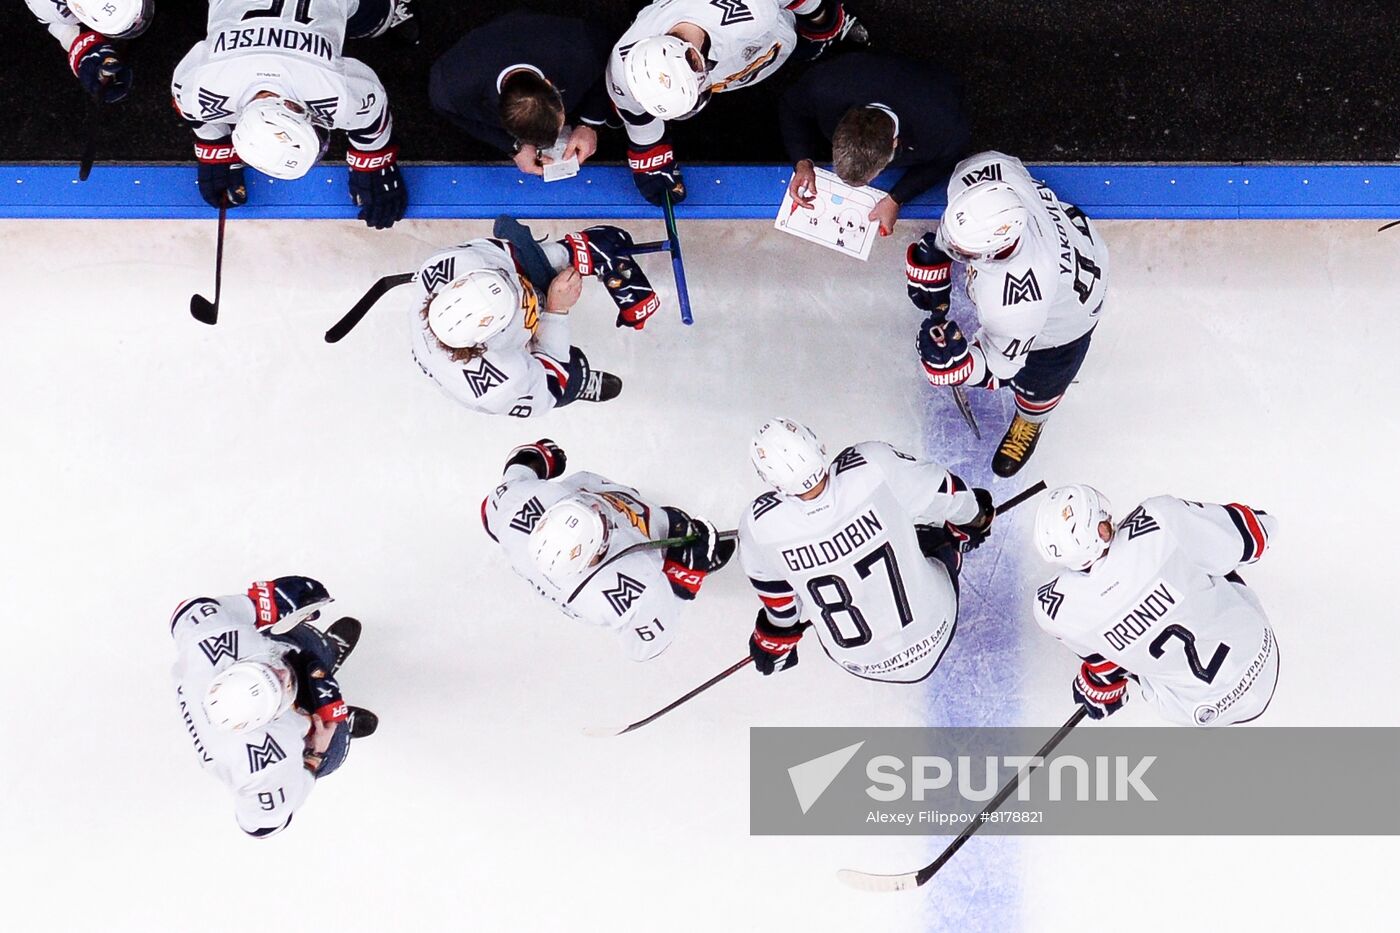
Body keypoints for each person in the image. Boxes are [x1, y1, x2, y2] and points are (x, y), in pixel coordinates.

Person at [738, 418, 995, 683]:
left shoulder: (758, 526)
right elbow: (948, 494)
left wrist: (773, 638)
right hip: (935, 628)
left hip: (859, 662)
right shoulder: (871, 463)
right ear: (817, 443)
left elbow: (784, 612)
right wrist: (975, 521)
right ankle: (951, 549)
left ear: (769, 479)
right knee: (929, 532)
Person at [909, 150, 1110, 476]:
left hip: (1066, 323)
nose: (953, 247)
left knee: (1040, 383)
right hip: (1074, 238)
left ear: (996, 250)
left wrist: (959, 367)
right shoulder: (982, 172)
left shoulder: (1019, 301)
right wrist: (939, 252)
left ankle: (1031, 418)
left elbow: (1000, 367)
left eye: (963, 251)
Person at [1031, 485, 1280, 726]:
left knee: (1125, 650)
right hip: (1259, 655)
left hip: (1194, 710)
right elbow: (1255, 537)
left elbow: (1109, 668)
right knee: (1205, 557)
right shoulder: (1159, 519)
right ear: (1102, 529)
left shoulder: (1052, 610)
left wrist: (1099, 686)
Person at [171, 0, 416, 229]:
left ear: (293, 107)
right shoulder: (197, 92)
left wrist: (374, 162)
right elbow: (191, 107)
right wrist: (215, 148)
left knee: (375, 22)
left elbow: (373, 106)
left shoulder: (334, 93)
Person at [481, 439, 735, 660]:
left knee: (600, 491)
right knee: (674, 526)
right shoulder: (626, 589)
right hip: (637, 572)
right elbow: (648, 645)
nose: (597, 509)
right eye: (601, 521)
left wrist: (538, 458)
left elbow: (499, 497)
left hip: (582, 540)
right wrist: (685, 574)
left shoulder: (516, 511)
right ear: (599, 550)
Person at [170, 576, 378, 837]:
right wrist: (314, 755)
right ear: (267, 720)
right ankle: (339, 724)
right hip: (290, 745)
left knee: (297, 644)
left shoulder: (208, 643)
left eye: (269, 672)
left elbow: (186, 612)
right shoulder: (261, 767)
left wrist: (260, 604)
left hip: (258, 691)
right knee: (333, 748)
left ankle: (326, 652)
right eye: (284, 686)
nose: (282, 674)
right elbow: (261, 825)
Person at [607, 0, 864, 206]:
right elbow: (634, 111)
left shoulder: (754, 11)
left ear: (696, 62)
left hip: (771, 29)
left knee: (815, 36)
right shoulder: (623, 67)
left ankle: (837, 29)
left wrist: (823, 25)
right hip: (748, 54)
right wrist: (651, 156)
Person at [409, 219, 665, 418]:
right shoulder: (502, 383)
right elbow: (554, 382)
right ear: (491, 337)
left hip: (470, 348)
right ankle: (582, 383)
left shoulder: (449, 264)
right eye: (523, 305)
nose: (527, 291)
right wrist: (556, 310)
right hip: (502, 385)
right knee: (569, 377)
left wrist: (572, 253)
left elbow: (513, 259)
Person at [780, 52, 970, 236]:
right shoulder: (824, 87)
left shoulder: (942, 126)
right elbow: (792, 107)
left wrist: (898, 197)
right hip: (860, 70)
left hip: (929, 84)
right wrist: (802, 160)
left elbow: (949, 157)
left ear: (895, 143)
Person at [428, 11, 615, 177]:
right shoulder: (451, 88)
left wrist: (589, 123)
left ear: (550, 85)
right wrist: (514, 147)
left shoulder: (583, 49)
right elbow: (444, 108)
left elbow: (611, 60)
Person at [24, 0, 153, 103]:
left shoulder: (49, 8)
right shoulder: (50, 8)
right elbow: (53, 22)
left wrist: (82, 47)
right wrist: (82, 47)